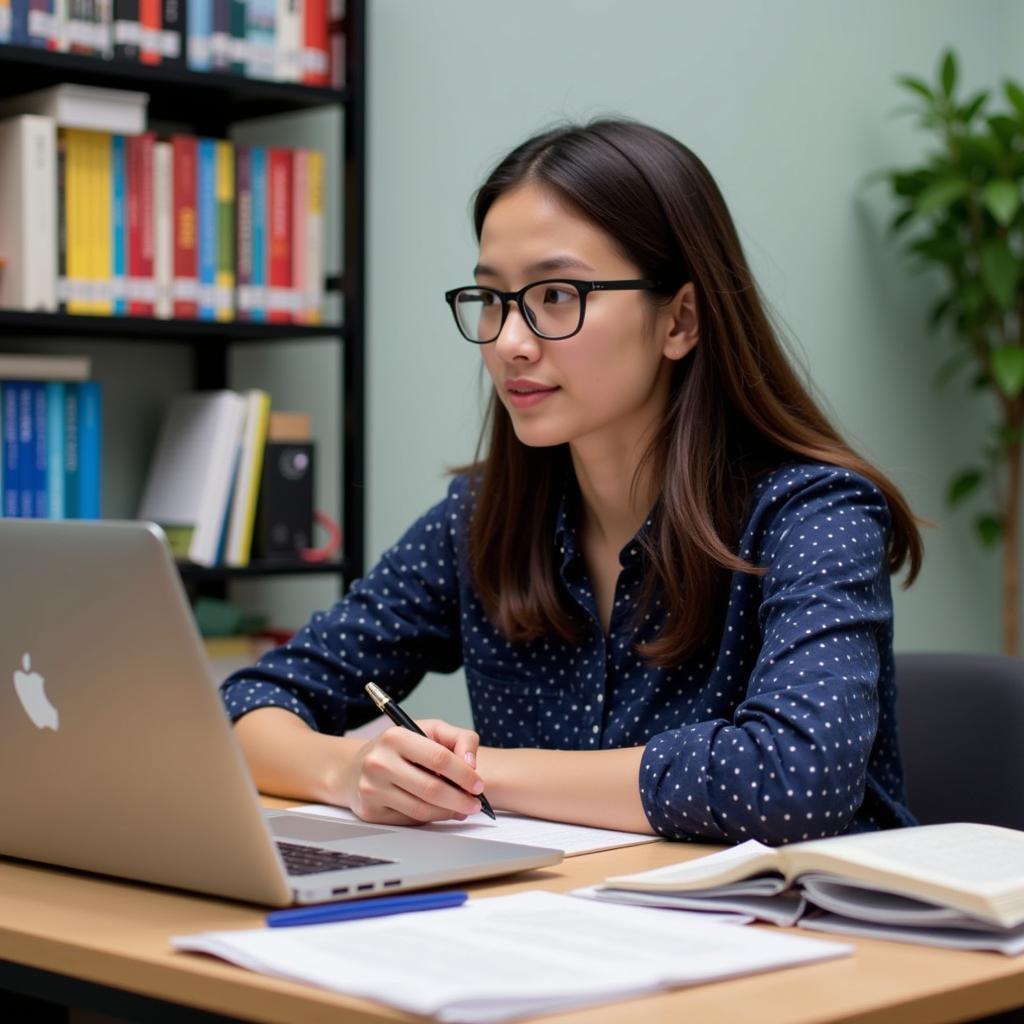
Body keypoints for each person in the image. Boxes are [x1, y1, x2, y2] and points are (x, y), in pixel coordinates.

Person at [222, 118, 923, 845]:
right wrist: (356, 771)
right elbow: (247, 704)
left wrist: (470, 774)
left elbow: (791, 783)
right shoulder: (482, 517)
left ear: (680, 319)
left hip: (820, 940)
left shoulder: (813, 512)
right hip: (566, 928)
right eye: (492, 299)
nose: (510, 342)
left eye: (557, 295)